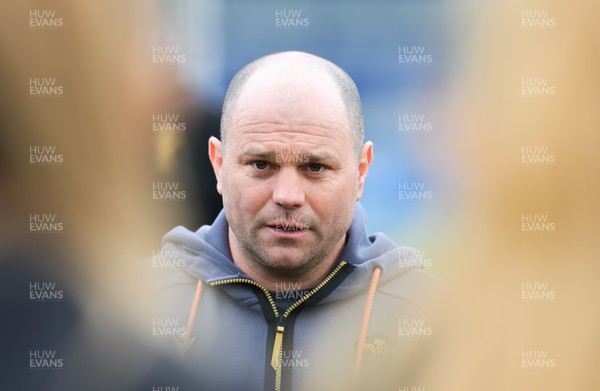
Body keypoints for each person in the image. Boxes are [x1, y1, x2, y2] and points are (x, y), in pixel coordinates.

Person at [150, 51, 441, 391]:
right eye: (261, 164)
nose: (288, 195)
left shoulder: (437, 323)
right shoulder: (130, 310)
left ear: (361, 172)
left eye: (315, 167)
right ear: (219, 165)